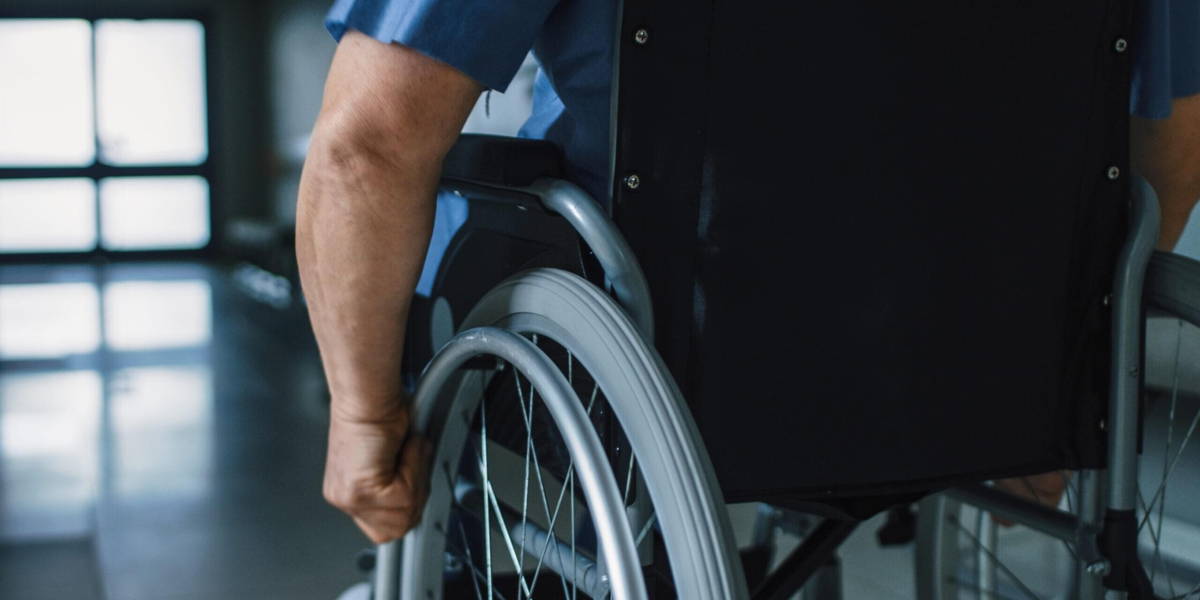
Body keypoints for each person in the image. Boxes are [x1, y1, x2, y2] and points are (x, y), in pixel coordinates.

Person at [297, 0, 1200, 544]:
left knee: (466, 225)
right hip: (985, 379)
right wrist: (1071, 381)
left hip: (677, 365)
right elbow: (1170, 145)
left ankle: (474, 546)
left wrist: (364, 414)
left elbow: (367, 147)